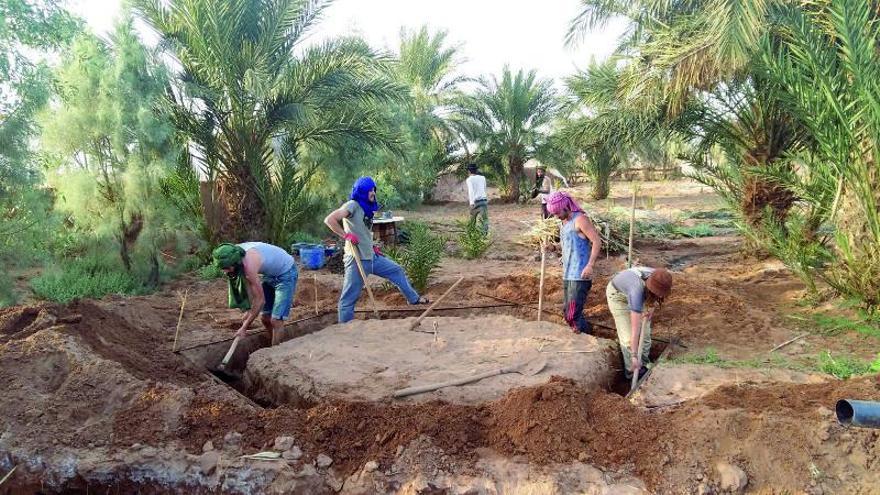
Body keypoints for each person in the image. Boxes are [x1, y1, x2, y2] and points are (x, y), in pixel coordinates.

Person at [325, 176, 429, 323]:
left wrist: (371, 246)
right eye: (370, 190)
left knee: (396, 270)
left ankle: (413, 299)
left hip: (371, 256)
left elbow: (363, 231)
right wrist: (346, 235)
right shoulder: (352, 205)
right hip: (357, 259)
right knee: (349, 297)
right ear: (362, 191)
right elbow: (329, 220)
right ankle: (345, 327)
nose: (373, 193)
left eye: (374, 189)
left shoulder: (366, 207)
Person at [212, 241, 299, 346]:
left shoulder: (249, 266)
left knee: (276, 320)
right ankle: (274, 343)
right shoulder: (232, 253)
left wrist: (244, 327)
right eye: (223, 269)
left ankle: (276, 352)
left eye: (227, 268)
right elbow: (248, 287)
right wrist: (249, 310)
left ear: (236, 262)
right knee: (265, 318)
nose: (226, 272)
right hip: (270, 274)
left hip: (286, 273)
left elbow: (260, 300)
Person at [545, 191, 602, 334]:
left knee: (571, 314)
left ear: (565, 206)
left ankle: (586, 336)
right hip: (568, 273)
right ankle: (585, 333)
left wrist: (590, 265)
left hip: (580, 274)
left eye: (558, 212)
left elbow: (596, 241)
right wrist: (553, 247)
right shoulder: (564, 223)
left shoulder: (580, 220)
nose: (556, 216)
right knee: (569, 310)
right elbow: (568, 244)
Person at [606, 266, 673, 379]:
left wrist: (651, 307)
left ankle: (644, 364)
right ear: (651, 288)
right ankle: (632, 372)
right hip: (617, 296)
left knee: (645, 335)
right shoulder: (637, 291)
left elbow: (655, 297)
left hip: (641, 292)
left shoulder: (660, 277)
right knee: (628, 338)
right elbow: (635, 330)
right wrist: (634, 356)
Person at [465, 163, 489, 234]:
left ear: (469, 171)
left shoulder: (469, 179)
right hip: (483, 200)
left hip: (475, 202)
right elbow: (484, 188)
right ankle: (484, 235)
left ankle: (470, 233)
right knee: (484, 219)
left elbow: (471, 191)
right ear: (476, 170)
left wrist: (471, 203)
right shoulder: (483, 178)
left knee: (472, 219)